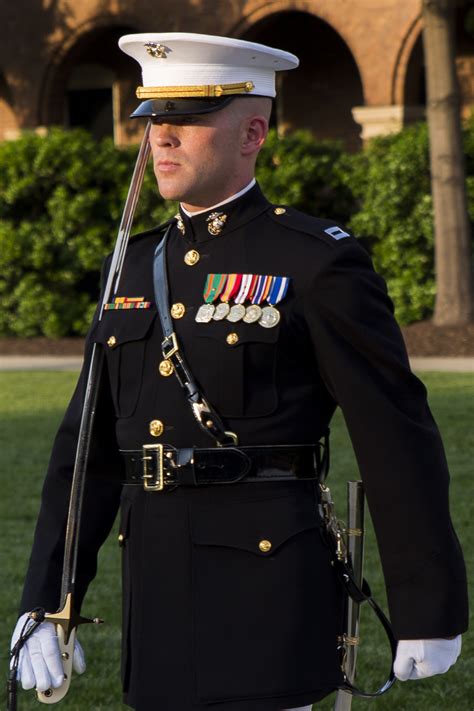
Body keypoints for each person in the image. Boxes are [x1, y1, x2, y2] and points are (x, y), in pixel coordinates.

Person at [11, 33, 467, 711]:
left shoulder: (314, 262)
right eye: (153, 121)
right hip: (158, 595)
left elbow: (394, 432)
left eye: (186, 119)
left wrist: (427, 604)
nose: (161, 138)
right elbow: (86, 450)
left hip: (267, 593)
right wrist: (48, 594)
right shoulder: (132, 267)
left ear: (253, 130)